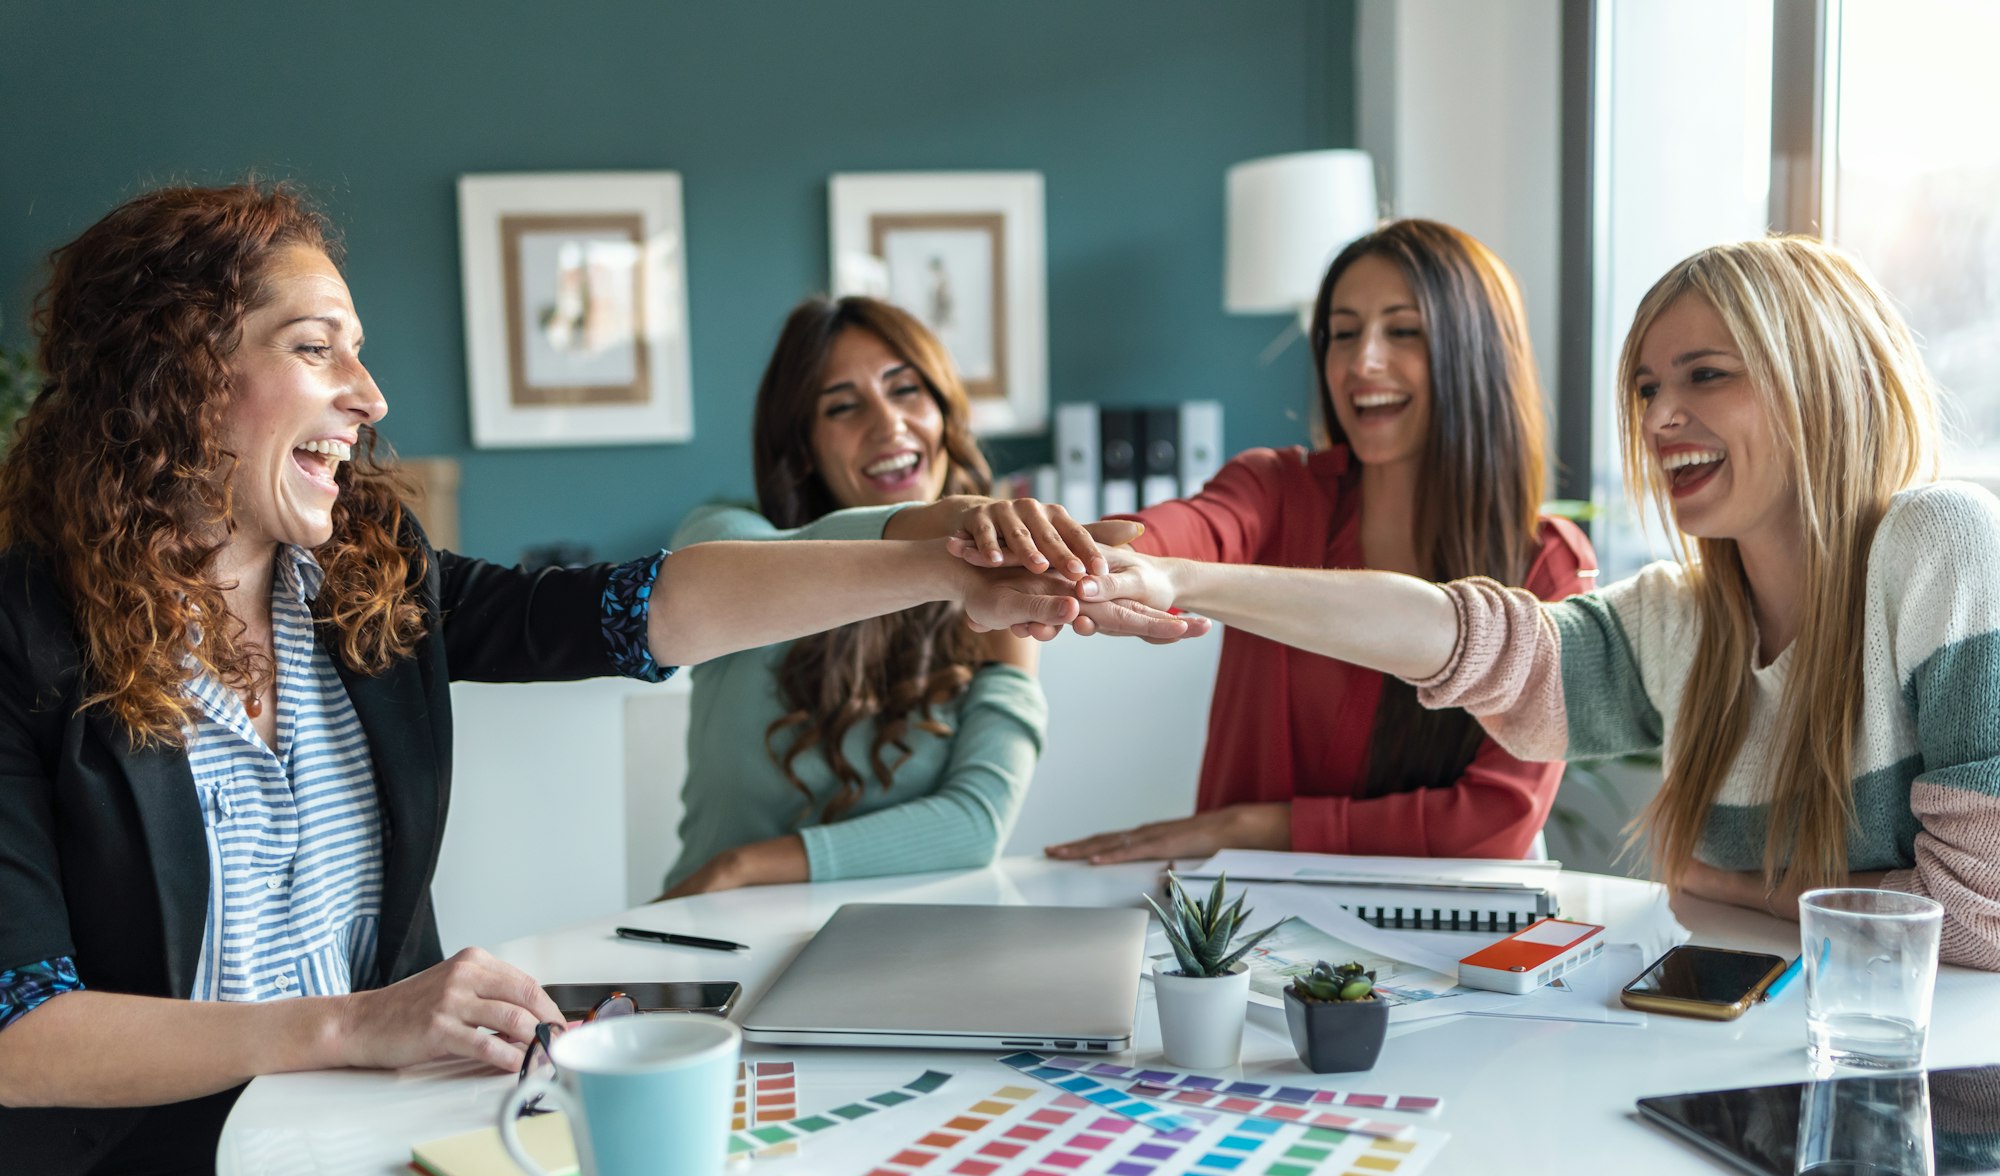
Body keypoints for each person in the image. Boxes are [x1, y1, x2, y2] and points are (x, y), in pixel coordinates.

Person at [0, 184, 1193, 1176]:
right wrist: (354, 1024)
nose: (367, 394)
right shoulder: (22, 635)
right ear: (175, 374)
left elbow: (635, 608)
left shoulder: (367, 573)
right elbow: (23, 1035)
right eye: (316, 348)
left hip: (366, 1130)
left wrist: (940, 565)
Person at [1065, 235, 2000, 969]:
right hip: (1760, 1035)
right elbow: (1463, 637)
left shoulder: (1939, 544)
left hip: (1941, 1066)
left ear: (1823, 380)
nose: (1660, 416)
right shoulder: (1683, 622)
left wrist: (1754, 888)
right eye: (1646, 387)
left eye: (1705, 374)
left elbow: (1975, 922)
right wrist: (1175, 577)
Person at [964, 219, 1596, 863]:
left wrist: (1242, 828)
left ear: (1479, 352)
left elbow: (1496, 821)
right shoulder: (1276, 489)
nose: (1362, 361)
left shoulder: (1549, 565)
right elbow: (1186, 530)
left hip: (1436, 930)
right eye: (1343, 333)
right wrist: (1069, 549)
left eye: (1402, 330)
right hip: (1246, 922)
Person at [661, 296, 1088, 895]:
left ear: (943, 412)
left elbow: (975, 823)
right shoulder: (722, 541)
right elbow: (784, 555)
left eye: (906, 390)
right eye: (843, 406)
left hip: (898, 946)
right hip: (705, 937)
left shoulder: (992, 599)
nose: (888, 423)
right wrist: (943, 521)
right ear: (803, 447)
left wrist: (746, 866)